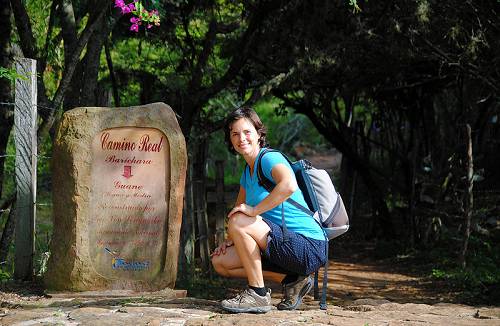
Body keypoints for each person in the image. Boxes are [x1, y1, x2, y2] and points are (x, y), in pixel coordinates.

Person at [211, 107, 327, 313]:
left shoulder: (269, 158)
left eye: (247, 132)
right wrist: (230, 240)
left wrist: (254, 210)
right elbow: (238, 211)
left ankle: (257, 294)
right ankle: (293, 280)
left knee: (240, 219)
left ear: (258, 134)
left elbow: (288, 185)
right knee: (220, 262)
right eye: (235, 134)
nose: (241, 138)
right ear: (230, 138)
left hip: (309, 245)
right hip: (282, 245)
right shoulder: (247, 171)